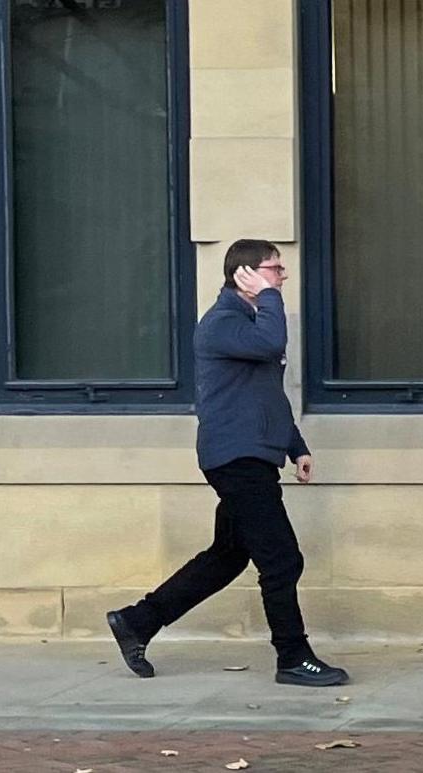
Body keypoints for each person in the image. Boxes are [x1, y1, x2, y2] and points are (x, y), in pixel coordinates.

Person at [106, 239, 349, 687]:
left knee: (228, 556)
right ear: (245, 274)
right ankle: (292, 657)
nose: (283, 276)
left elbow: (266, 394)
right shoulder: (221, 324)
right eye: (275, 269)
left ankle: (137, 621)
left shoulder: (249, 323)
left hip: (252, 454)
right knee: (282, 560)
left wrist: (296, 446)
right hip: (236, 458)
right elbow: (272, 340)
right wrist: (269, 297)